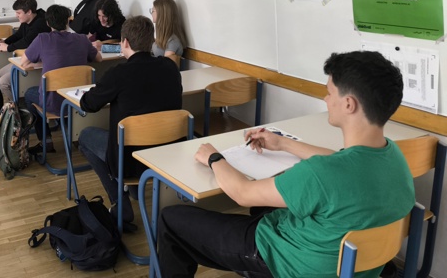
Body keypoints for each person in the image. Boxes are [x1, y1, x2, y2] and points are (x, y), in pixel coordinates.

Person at [157, 50, 414, 278]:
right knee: (265, 205)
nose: (326, 99)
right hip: (349, 266)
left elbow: (243, 193)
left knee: (171, 219)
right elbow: (337, 160)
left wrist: (214, 158)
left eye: (329, 92)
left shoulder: (320, 175)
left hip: (290, 262)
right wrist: (283, 143)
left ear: (349, 104)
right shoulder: (395, 157)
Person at [78, 15, 183, 232]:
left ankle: (120, 201)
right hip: (167, 156)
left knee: (86, 136)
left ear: (124, 42)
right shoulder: (170, 67)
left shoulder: (119, 73)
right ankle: (133, 190)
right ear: (151, 41)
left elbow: (88, 104)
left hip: (128, 162)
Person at [20, 4, 102, 152]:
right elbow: (98, 59)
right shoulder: (82, 39)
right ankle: (73, 133)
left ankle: (46, 141)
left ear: (48, 23)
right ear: (68, 21)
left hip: (53, 103)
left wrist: (44, 60)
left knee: (28, 94)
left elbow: (23, 62)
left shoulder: (43, 39)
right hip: (79, 99)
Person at [0, 0, 50, 103]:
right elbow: (19, 35)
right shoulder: (27, 21)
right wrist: (5, 42)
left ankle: (18, 106)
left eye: (18, 13)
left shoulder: (40, 23)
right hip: (29, 59)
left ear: (29, 12)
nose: (16, 16)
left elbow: (27, 41)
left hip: (36, 63)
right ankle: (16, 102)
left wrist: (8, 47)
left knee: (3, 83)